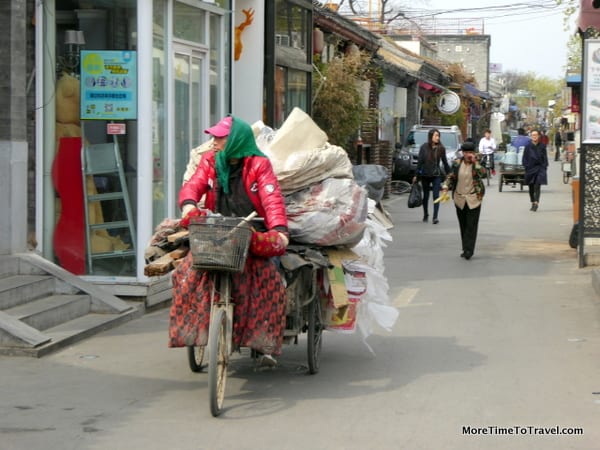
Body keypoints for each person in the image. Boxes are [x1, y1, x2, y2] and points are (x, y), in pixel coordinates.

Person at [169, 115, 290, 366]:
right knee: (185, 275)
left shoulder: (259, 165)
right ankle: (197, 328)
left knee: (271, 280)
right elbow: (194, 185)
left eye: (219, 137)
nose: (213, 142)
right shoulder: (211, 161)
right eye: (213, 136)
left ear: (235, 139)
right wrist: (189, 204)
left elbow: (272, 199)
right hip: (217, 229)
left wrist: (278, 230)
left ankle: (264, 341)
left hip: (252, 229)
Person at [441, 141, 486, 260]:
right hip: (459, 198)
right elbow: (450, 176)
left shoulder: (477, 163)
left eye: (470, 152)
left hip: (474, 198)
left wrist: (475, 162)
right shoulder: (457, 163)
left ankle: (469, 250)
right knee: (463, 224)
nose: (468, 155)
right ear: (463, 153)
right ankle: (465, 247)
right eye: (466, 152)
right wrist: (445, 186)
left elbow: (483, 174)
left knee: (471, 225)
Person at [412, 128, 450, 224]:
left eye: (438, 136)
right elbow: (420, 162)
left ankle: (435, 217)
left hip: (436, 175)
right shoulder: (424, 147)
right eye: (435, 135)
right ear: (431, 136)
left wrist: (450, 174)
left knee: (436, 195)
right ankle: (425, 214)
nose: (437, 137)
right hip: (425, 175)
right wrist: (416, 175)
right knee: (426, 196)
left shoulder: (441, 148)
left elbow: (445, 163)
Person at [522, 129, 549, 212]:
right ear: (531, 136)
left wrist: (544, 167)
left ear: (539, 136)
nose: (534, 136)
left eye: (536, 135)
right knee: (531, 187)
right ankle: (533, 201)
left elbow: (545, 158)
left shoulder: (542, 146)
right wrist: (526, 166)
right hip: (530, 168)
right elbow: (524, 158)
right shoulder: (527, 147)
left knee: (537, 186)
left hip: (539, 168)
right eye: (533, 135)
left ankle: (536, 202)